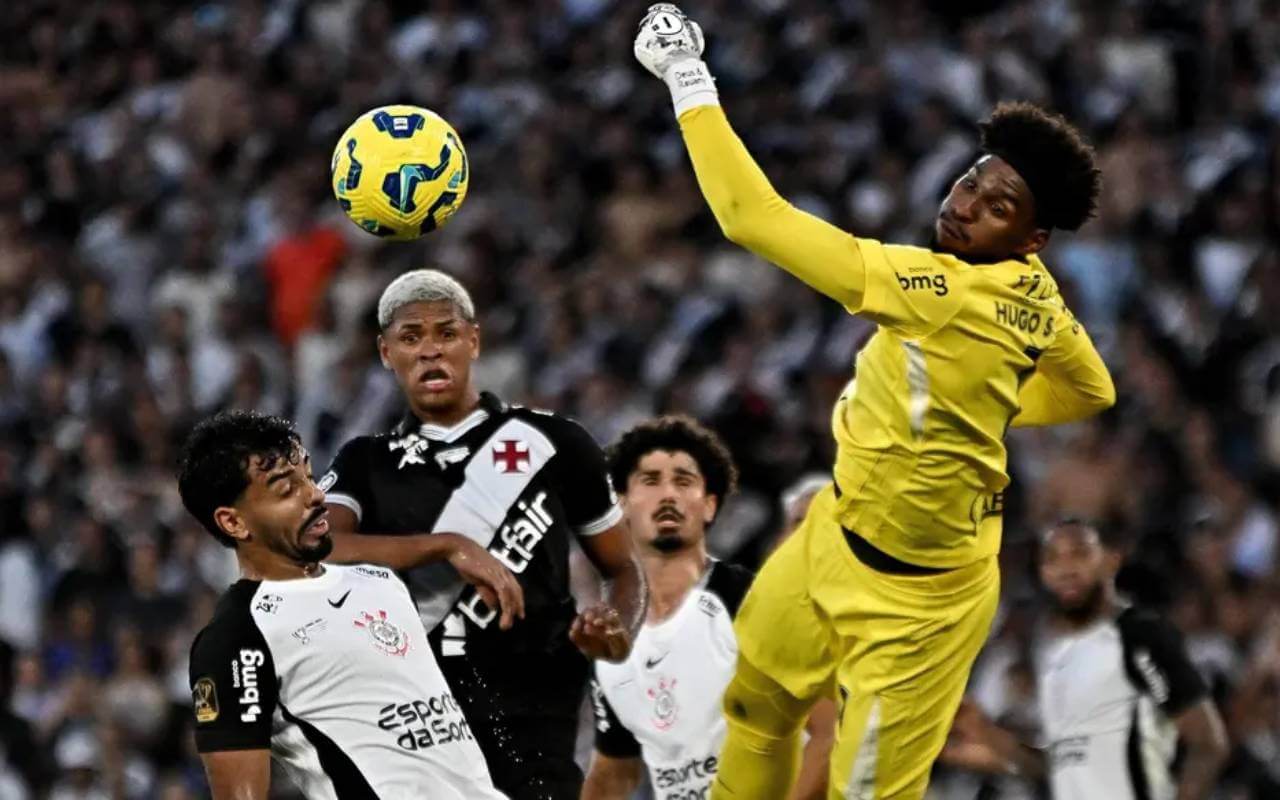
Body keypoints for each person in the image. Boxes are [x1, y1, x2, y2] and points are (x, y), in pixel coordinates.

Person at [633, 6, 1117, 798]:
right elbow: (1091, 387)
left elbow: (750, 218)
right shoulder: (1039, 296)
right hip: (835, 531)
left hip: (918, 607)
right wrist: (982, 413)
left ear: (1031, 238)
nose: (965, 205)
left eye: (997, 207)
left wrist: (687, 73)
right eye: (972, 181)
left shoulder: (939, 291)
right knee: (755, 705)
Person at [321, 269, 647, 800]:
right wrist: (448, 546)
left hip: (533, 706)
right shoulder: (364, 461)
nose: (430, 351)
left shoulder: (556, 441)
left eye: (445, 334)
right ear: (386, 353)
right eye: (411, 338)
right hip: (415, 710)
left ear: (474, 341)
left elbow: (624, 568)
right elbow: (320, 548)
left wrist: (619, 628)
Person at [177, 410, 505, 799]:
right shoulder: (237, 639)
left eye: (309, 477)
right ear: (233, 523)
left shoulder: (379, 581)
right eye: (286, 490)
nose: (315, 496)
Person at [942, 520, 1229, 800]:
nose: (1066, 569)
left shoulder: (1139, 634)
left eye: (1080, 553)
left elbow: (1208, 743)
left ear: (1110, 561)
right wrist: (985, 732)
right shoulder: (1058, 658)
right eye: (1053, 559)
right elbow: (1059, 766)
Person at [581, 416, 752, 799]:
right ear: (621, 504)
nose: (668, 495)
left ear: (709, 505)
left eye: (684, 481)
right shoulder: (614, 638)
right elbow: (614, 770)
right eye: (651, 481)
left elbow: (822, 731)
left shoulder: (746, 598)